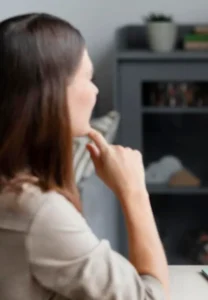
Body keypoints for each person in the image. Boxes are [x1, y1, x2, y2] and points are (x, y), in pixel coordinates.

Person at [0, 13, 169, 300]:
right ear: (51, 94)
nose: (95, 91)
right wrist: (134, 191)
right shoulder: (36, 211)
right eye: (88, 77)